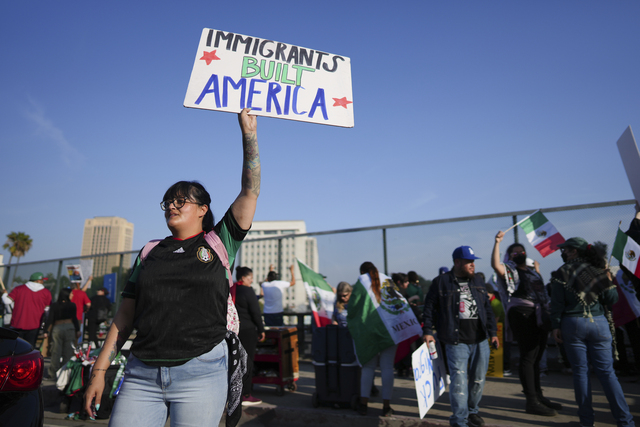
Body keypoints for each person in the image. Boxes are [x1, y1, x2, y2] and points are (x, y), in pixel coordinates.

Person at [84, 108, 260, 427]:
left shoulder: (220, 242)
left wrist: (249, 135)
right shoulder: (150, 251)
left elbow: (250, 190)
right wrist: (100, 370)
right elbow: (124, 315)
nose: (173, 206)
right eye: (168, 202)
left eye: (182, 201)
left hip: (202, 373)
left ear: (203, 210)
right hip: (141, 373)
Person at [550, 238, 635, 427]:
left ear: (574, 252)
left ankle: (587, 422)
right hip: (598, 323)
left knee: (580, 372)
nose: (562, 253)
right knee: (607, 373)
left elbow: (556, 303)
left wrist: (555, 325)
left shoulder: (561, 273)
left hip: (572, 324)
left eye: (564, 250)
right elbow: (611, 299)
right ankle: (625, 421)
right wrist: (608, 279)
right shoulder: (598, 271)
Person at [423, 246, 499, 427]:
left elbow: (487, 310)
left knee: (478, 380)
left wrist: (493, 333)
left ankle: (472, 412)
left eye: (473, 261)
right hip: (455, 341)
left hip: (480, 339)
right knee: (459, 382)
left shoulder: (478, 281)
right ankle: (459, 420)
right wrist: (427, 332)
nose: (472, 265)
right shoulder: (441, 282)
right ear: (457, 262)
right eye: (469, 261)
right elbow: (429, 308)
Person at [491, 231, 560, 416]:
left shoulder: (531, 272)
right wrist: (497, 243)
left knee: (537, 357)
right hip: (523, 314)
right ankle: (531, 401)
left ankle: (539, 396)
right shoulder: (510, 271)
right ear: (510, 257)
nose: (520, 253)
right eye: (515, 252)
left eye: (522, 250)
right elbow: (496, 265)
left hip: (539, 315)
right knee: (528, 356)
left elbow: (539, 290)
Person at [350, 262, 399, 417]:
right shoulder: (388, 280)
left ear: (362, 271)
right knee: (387, 368)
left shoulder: (361, 281)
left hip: (369, 331)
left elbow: (352, 307)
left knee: (368, 368)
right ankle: (386, 407)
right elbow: (399, 304)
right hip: (390, 330)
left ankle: (363, 405)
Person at [234, 266, 265, 406]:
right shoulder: (248, 291)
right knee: (247, 362)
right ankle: (246, 394)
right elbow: (255, 312)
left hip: (235, 330)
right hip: (247, 330)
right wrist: (261, 329)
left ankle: (233, 393)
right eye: (250, 277)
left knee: (236, 362)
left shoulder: (232, 289)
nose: (252, 280)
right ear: (243, 278)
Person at [3, 272, 51, 348]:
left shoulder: (19, 289)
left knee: (15, 348)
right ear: (38, 281)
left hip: (17, 323)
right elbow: (47, 309)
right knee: (29, 348)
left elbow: (6, 301)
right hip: (35, 325)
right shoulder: (46, 292)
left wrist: (4, 294)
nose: (43, 282)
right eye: (42, 280)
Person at [43, 287, 80, 379]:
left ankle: (53, 373)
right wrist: (78, 329)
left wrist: (46, 330)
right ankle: (65, 374)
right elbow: (74, 318)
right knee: (68, 352)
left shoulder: (54, 305)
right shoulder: (72, 305)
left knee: (56, 351)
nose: (72, 295)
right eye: (71, 293)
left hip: (57, 327)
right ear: (66, 295)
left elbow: (50, 319)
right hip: (69, 327)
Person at [70, 276, 92, 342]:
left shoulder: (69, 293)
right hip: (78, 317)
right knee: (76, 335)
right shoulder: (82, 293)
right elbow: (88, 304)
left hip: (67, 317)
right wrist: (86, 309)